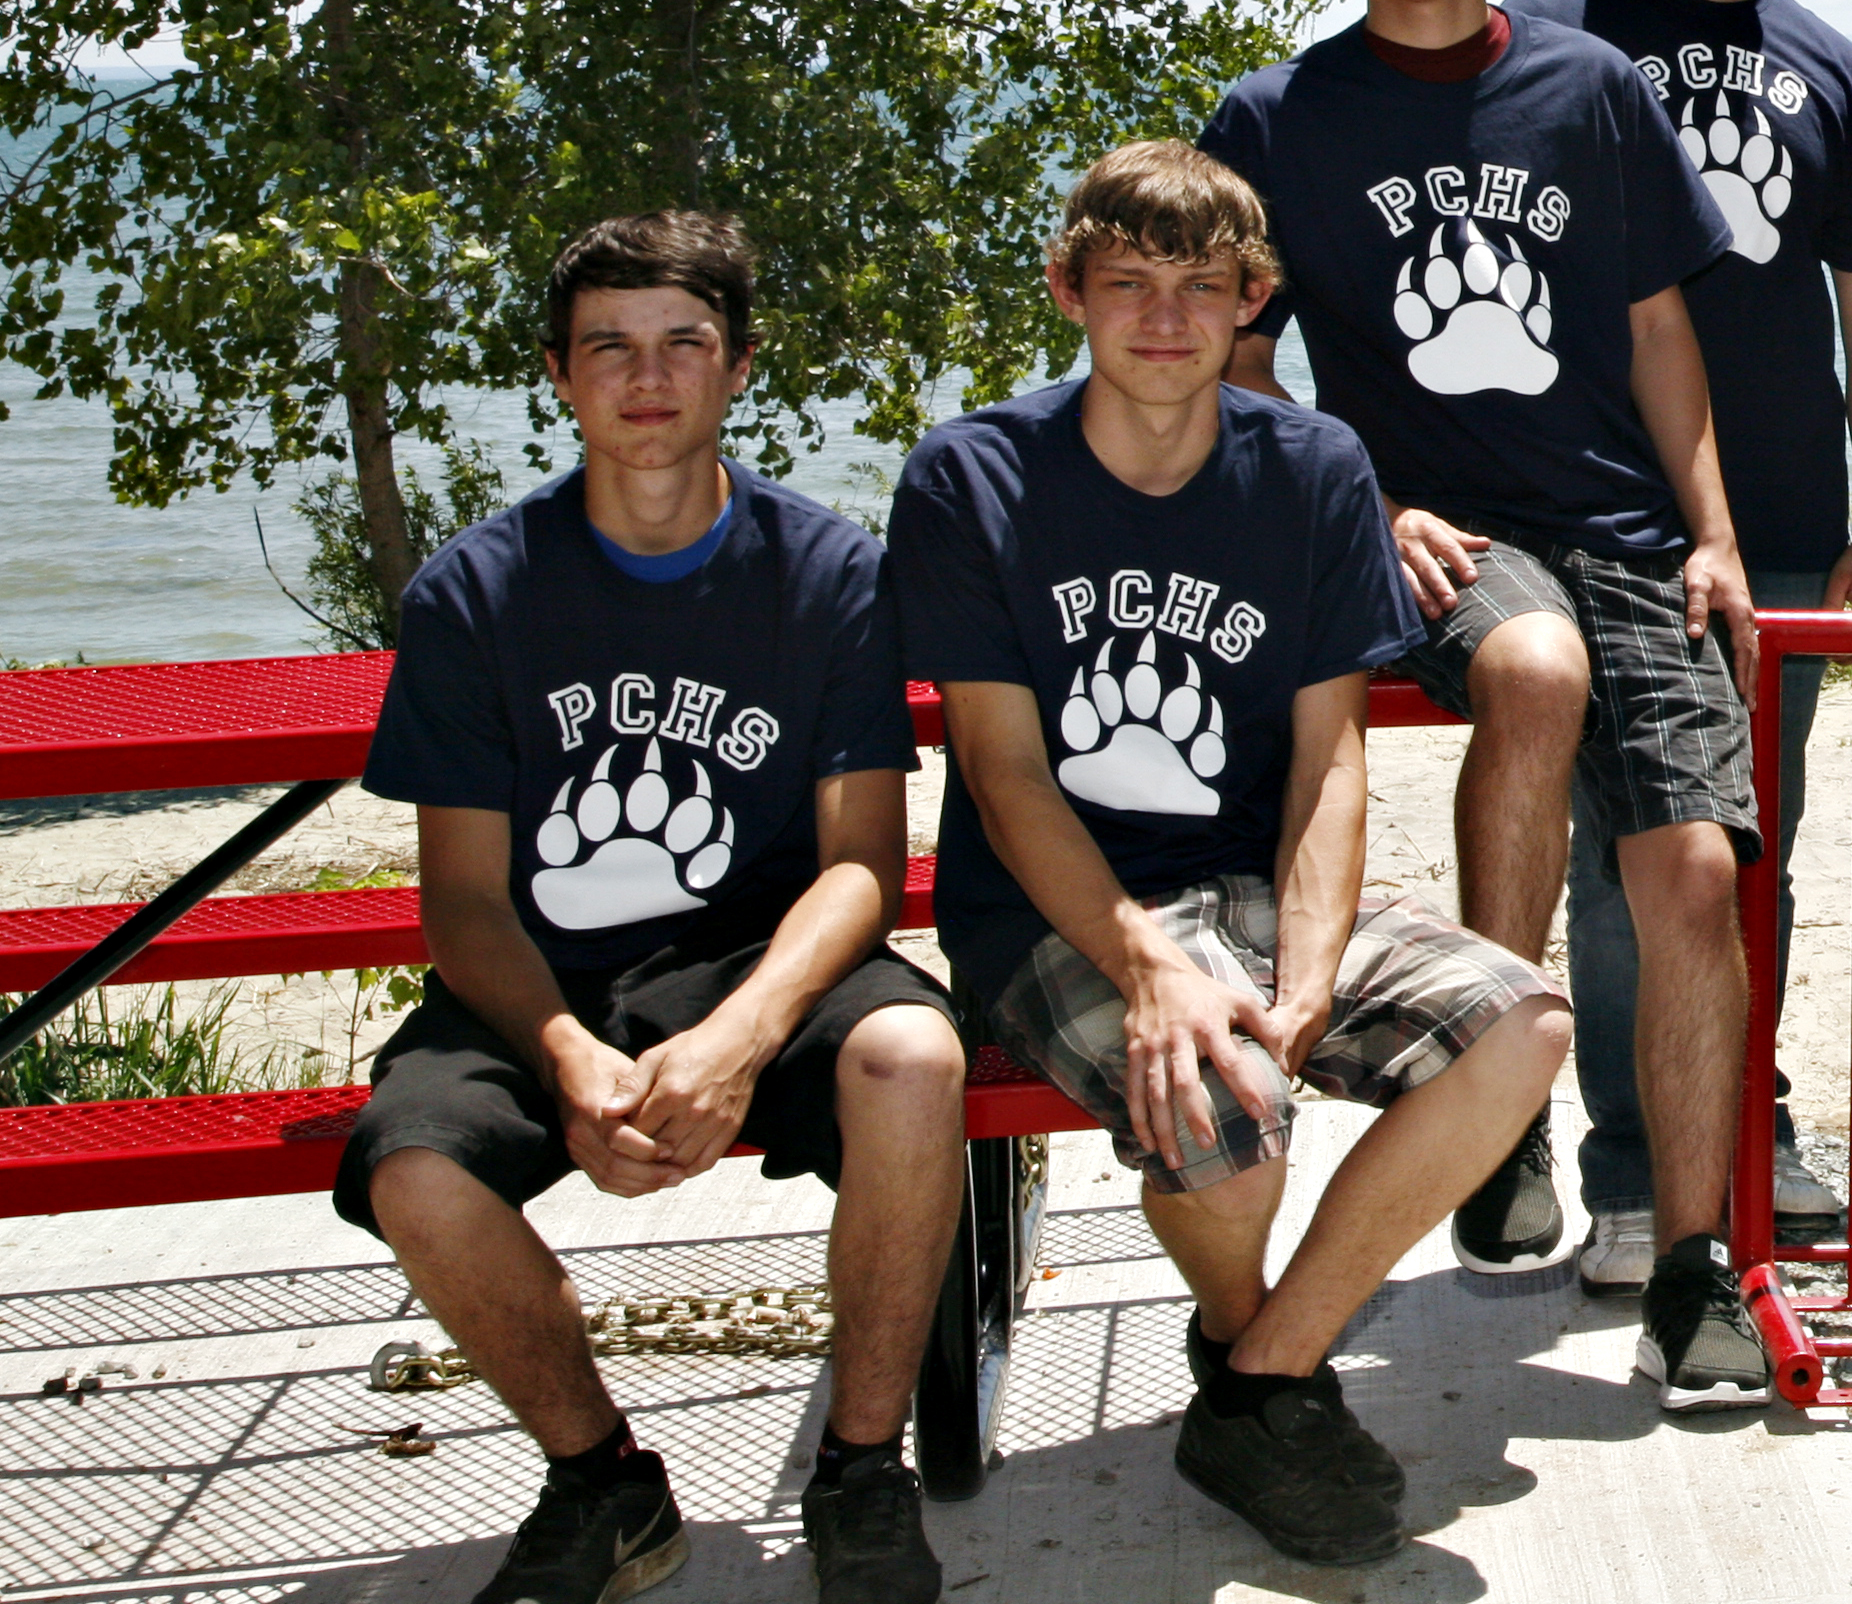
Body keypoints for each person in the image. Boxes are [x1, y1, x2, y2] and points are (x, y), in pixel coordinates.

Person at [890, 143, 1570, 1566]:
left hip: (1256, 888)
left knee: (1522, 1023)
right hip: (1055, 911)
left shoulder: (1316, 466)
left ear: (1253, 297)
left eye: (1201, 286)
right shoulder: (974, 474)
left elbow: (1330, 754)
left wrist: (1312, 967)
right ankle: (1262, 1363)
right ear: (1068, 290)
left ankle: (1259, 1377)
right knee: (1223, 1102)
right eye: (1125, 282)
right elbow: (1005, 773)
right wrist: (1144, 962)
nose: (1161, 317)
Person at [1199, 0, 1777, 1408]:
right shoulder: (1279, 118)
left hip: (1624, 527)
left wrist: (1713, 531)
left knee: (1687, 877)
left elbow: (1666, 329)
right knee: (1528, 672)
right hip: (1439, 528)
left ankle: (1688, 1264)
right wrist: (1360, 500)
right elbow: (1245, 372)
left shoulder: (1588, 89)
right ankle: (1500, 1095)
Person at [336, 213, 969, 1604]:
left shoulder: (827, 570)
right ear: (559, 377)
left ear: (740, 365)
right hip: (544, 978)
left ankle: (864, 1465)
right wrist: (566, 1053)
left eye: (684, 342)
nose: (647, 376)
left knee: (915, 1057)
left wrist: (740, 1038)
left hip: (760, 958)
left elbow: (863, 860)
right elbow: (460, 899)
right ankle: (604, 1480)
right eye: (607, 346)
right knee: (413, 1165)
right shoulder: (476, 590)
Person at [1506, 0, 1852, 1288]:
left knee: (1759, 841)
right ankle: (1626, 1159)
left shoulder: (1826, 65)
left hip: (1778, 528)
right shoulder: (1545, 41)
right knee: (1632, 847)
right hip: (1592, 523)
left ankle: (1743, 1114)